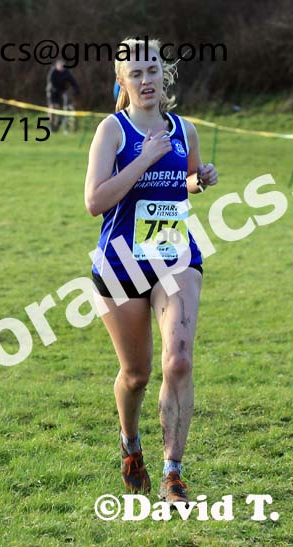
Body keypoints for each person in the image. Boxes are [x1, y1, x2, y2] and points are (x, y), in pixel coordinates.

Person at [84, 37, 219, 504]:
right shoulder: (113, 131)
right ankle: (130, 443)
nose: (146, 80)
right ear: (122, 81)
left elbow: (184, 182)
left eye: (152, 70)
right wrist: (144, 158)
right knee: (136, 375)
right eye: (135, 73)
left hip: (174, 253)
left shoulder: (185, 129)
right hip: (120, 262)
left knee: (178, 359)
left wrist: (199, 180)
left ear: (165, 75)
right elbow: (94, 201)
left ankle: (173, 473)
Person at [46, 60, 80, 132]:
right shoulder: (53, 72)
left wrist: (77, 89)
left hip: (61, 92)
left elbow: (73, 81)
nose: (62, 68)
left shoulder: (66, 72)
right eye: (60, 66)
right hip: (52, 92)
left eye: (63, 66)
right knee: (53, 107)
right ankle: (50, 124)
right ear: (57, 66)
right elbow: (51, 81)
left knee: (61, 108)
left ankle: (59, 124)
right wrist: (56, 89)